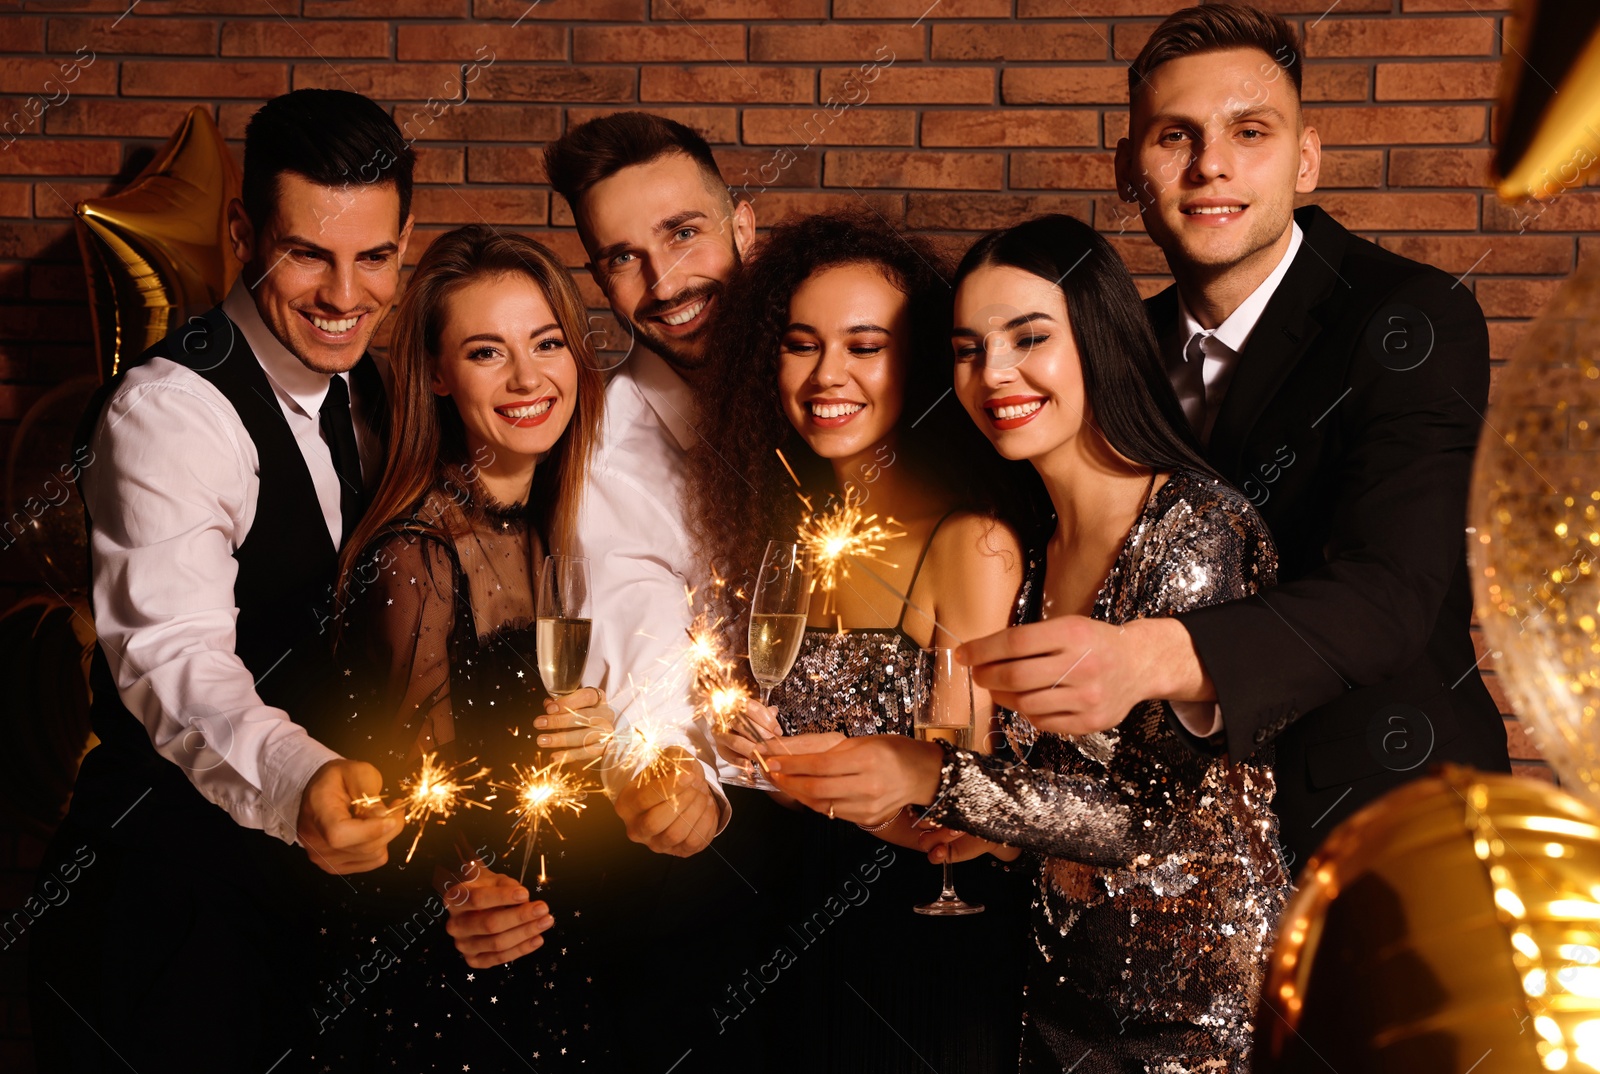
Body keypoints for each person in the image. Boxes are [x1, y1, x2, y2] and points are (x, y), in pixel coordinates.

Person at [959, 2, 1510, 867]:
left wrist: (1149, 658)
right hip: (1170, 869)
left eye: (1250, 131)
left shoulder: (1412, 319)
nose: (1211, 166)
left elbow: (1389, 595)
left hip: (1382, 833)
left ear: (1307, 158)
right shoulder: (1108, 351)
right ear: (1127, 170)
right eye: (1175, 138)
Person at [766, 214, 1290, 1073]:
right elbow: (1052, 794)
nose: (993, 373)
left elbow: (1163, 822)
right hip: (1053, 1001)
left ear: (1100, 341)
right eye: (969, 349)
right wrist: (975, 824)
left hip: (1191, 1022)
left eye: (1028, 338)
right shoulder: (1035, 542)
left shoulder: (1195, 528)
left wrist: (937, 780)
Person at [30, 89, 412, 1072]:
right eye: (308, 255)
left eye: (373, 257)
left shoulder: (373, 392)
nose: (342, 295)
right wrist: (301, 780)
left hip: (311, 920)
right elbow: (173, 660)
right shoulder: (171, 410)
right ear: (243, 232)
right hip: (165, 922)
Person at [693, 210, 1036, 1073]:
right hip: (793, 914)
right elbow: (785, 757)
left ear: (914, 362)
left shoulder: (968, 540)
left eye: (864, 346)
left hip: (916, 944)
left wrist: (821, 783)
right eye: (802, 344)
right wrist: (752, 754)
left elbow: (970, 807)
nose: (826, 375)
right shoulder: (786, 538)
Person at [306, 225, 626, 1071]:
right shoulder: (418, 552)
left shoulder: (571, 519)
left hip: (570, 930)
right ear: (439, 377)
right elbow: (421, 793)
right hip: (466, 960)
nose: (529, 378)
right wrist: (461, 888)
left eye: (548, 342)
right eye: (488, 352)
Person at [544, 110, 802, 1067]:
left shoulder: (836, 364)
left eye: (683, 233)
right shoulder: (608, 436)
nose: (664, 284)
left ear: (743, 225)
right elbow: (631, 620)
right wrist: (661, 770)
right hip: (730, 866)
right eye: (622, 258)